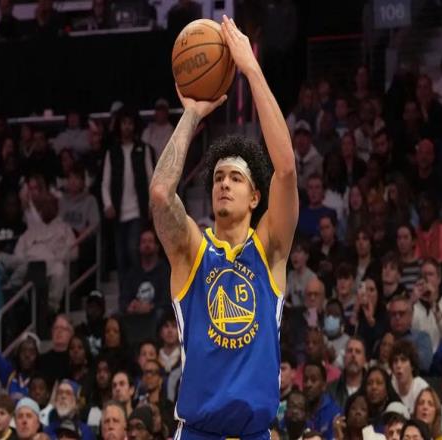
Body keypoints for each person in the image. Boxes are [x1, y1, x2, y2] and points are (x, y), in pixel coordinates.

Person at [149, 16, 299, 439]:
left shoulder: (269, 247)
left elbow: (286, 169)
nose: (224, 184)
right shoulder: (193, 251)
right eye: (217, 178)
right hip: (199, 431)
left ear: (254, 197)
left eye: (235, 178)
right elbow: (160, 193)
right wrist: (192, 113)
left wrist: (251, 69)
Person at [101, 105, 155, 306]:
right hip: (118, 213)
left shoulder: (144, 149)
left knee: (134, 251)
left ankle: (140, 292)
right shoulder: (112, 152)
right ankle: (125, 299)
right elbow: (105, 182)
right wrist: (108, 204)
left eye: (130, 123)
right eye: (124, 123)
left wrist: (151, 205)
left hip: (137, 211)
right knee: (121, 258)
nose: (127, 127)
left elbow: (151, 178)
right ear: (119, 126)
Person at [303, 360, 341, 440]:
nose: (308, 384)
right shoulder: (298, 408)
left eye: (313, 380)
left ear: (324, 385)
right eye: (305, 380)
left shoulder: (335, 412)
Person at [389, 339, 429, 414]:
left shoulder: (422, 388)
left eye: (403, 360)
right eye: (395, 361)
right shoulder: (389, 385)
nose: (398, 365)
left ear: (412, 366)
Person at [328, 337, 366, 409]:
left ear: (364, 360)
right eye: (349, 351)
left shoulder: (370, 390)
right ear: (344, 357)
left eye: (358, 352)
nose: (353, 355)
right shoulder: (331, 389)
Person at [293, 121, 323, 192]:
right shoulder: (289, 159)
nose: (301, 139)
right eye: (298, 135)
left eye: (305, 135)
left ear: (310, 139)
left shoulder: (319, 161)